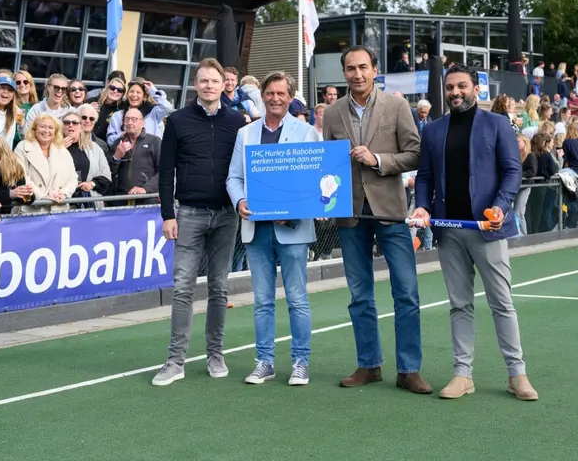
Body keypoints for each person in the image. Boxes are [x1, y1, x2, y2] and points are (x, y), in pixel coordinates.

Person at [411, 63, 539, 401]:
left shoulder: (497, 125)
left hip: (488, 229)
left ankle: (517, 374)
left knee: (502, 303)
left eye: (461, 86)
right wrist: (422, 206)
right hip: (448, 231)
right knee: (459, 305)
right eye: (450, 87)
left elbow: (512, 172)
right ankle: (462, 374)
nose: (455, 92)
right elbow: (424, 176)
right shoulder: (433, 130)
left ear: (476, 89)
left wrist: (501, 207)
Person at [321, 45, 430, 394]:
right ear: (344, 73)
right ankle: (369, 364)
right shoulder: (333, 113)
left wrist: (378, 160)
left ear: (375, 69)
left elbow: (415, 154)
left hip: (390, 211)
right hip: (350, 215)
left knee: (407, 293)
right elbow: (328, 164)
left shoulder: (397, 106)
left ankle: (409, 369)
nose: (357, 74)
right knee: (359, 295)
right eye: (351, 68)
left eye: (363, 67)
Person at [152, 58, 246, 386]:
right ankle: (175, 361)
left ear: (224, 85)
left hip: (226, 215)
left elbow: (248, 168)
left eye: (214, 81)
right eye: (203, 81)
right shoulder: (177, 121)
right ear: (196, 85)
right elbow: (166, 173)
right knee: (182, 288)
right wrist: (167, 214)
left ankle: (215, 355)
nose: (209, 86)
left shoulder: (237, 122)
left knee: (219, 287)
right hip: (188, 214)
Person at [226, 71, 321, 386]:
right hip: (256, 228)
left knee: (297, 298)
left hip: (292, 230)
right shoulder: (246, 133)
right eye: (271, 93)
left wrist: (294, 211)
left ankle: (300, 362)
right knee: (263, 300)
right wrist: (239, 201)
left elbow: (314, 182)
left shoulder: (306, 132)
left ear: (291, 97)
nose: (276, 98)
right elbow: (234, 177)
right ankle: (264, 361)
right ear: (262, 95)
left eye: (282, 93)